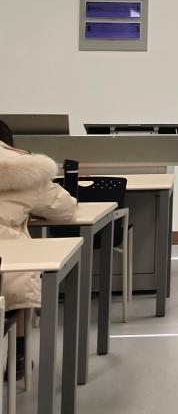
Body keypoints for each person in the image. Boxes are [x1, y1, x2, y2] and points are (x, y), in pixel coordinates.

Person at [0, 119, 78, 376]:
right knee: (17, 277)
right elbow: (64, 210)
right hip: (7, 268)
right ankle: (18, 356)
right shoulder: (25, 170)